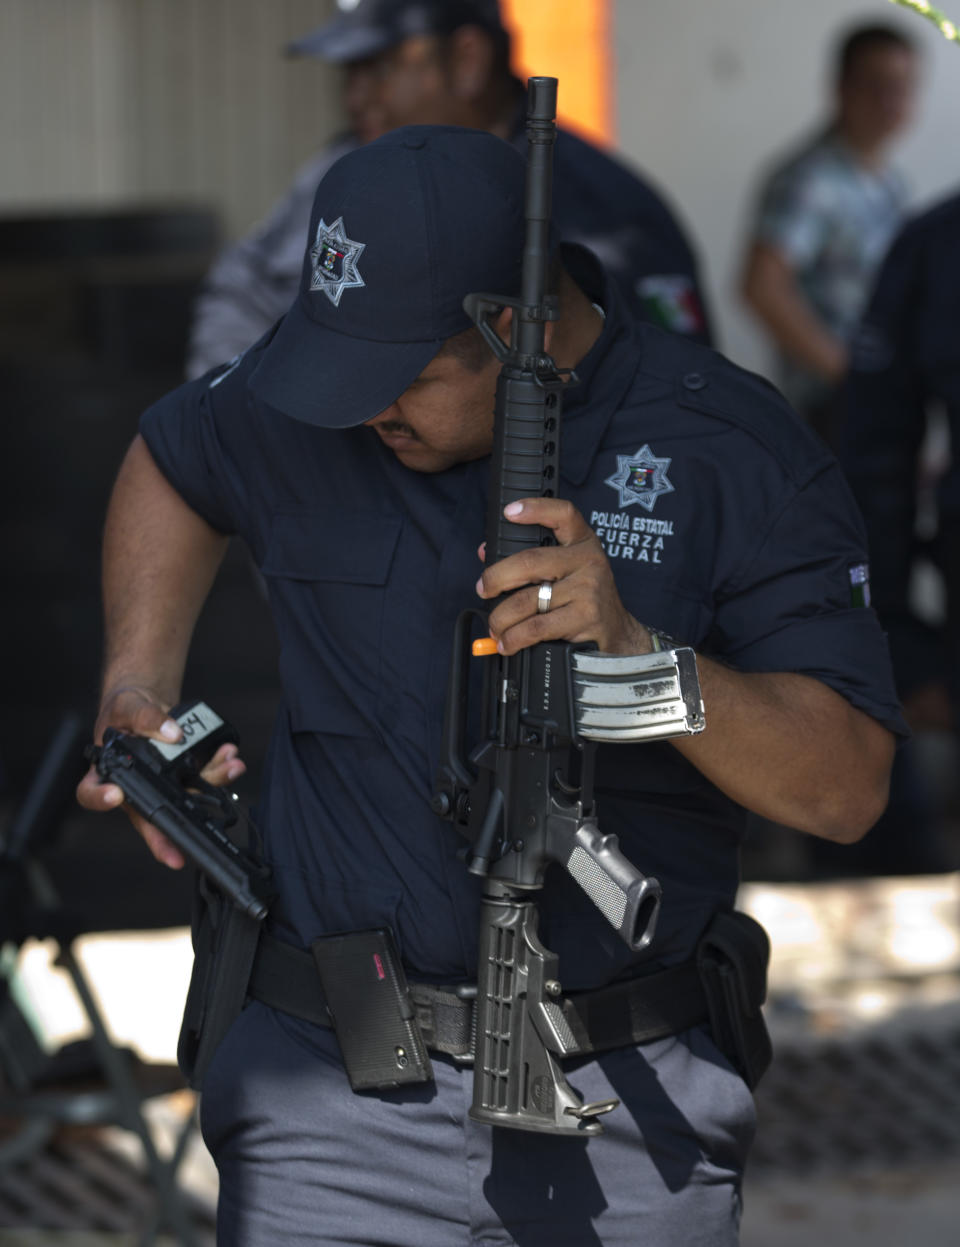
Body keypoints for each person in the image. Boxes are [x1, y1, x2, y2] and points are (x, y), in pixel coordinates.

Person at [79, 127, 902, 1245]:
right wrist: (137, 684)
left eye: (403, 376)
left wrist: (640, 656)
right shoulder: (323, 397)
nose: (366, 405)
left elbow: (846, 786)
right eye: (342, 365)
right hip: (325, 1107)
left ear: (515, 327)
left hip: (626, 1114)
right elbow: (174, 459)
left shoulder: (733, 448)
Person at [186, 0, 712, 378]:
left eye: (378, 68)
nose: (355, 97)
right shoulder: (350, 164)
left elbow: (669, 390)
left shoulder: (601, 208)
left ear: (466, 61)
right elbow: (246, 288)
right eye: (348, 74)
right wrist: (252, 417)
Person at [740, 22, 919, 445]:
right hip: (833, 409)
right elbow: (762, 287)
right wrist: (850, 378)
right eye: (876, 85)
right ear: (841, 87)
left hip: (884, 402)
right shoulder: (811, 179)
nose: (890, 101)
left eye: (903, 87)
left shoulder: (890, 183)